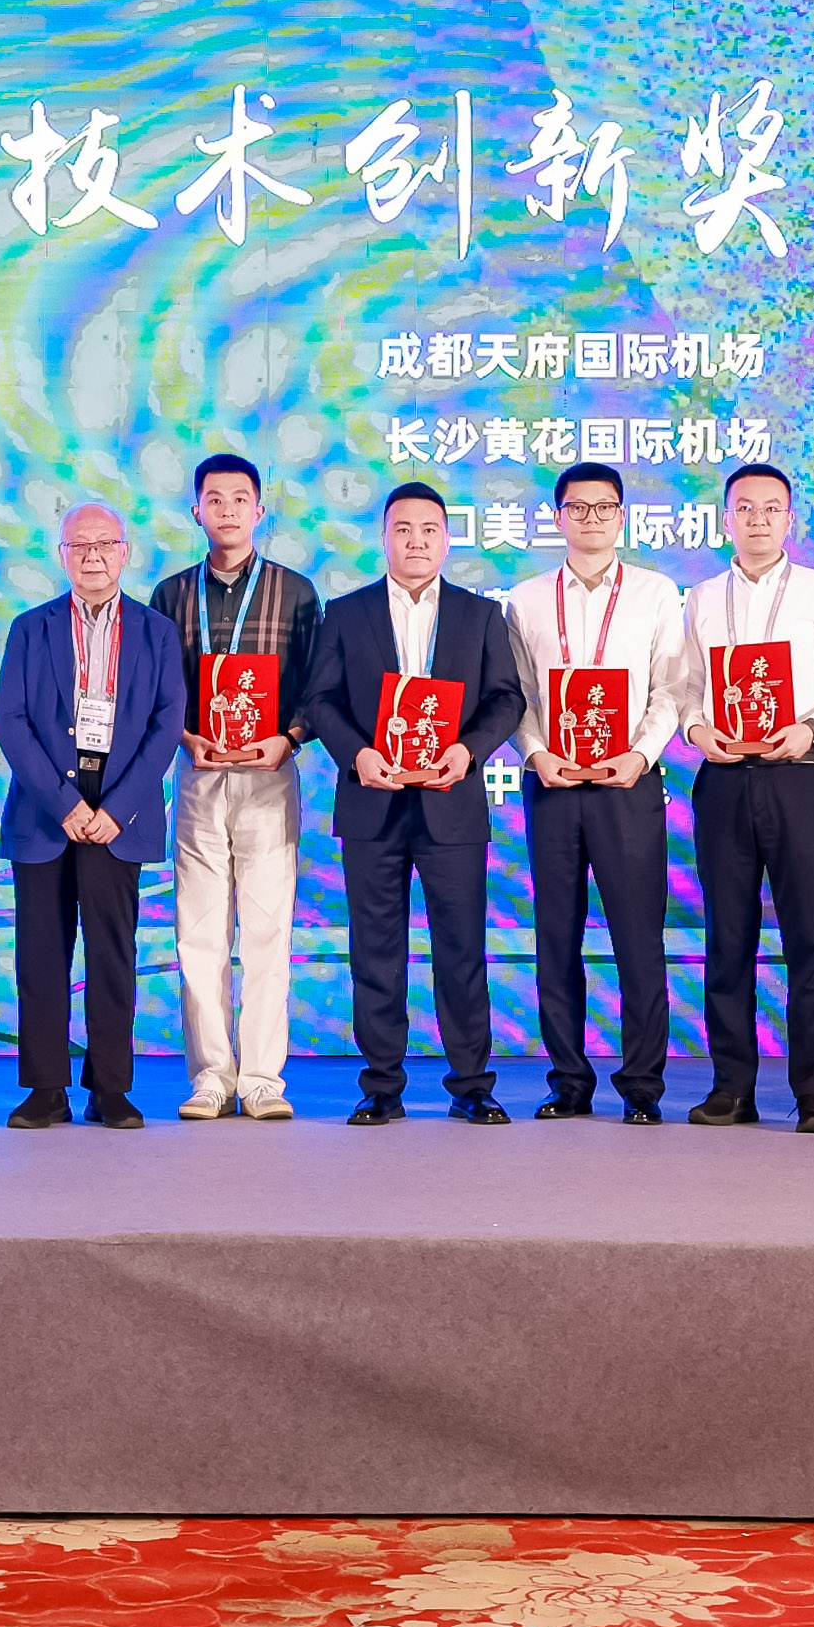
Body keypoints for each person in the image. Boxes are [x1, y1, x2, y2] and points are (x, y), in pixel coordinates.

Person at [306, 480, 525, 1126]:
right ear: (384, 538)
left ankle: (471, 1084)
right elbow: (320, 700)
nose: (416, 541)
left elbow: (506, 698)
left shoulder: (479, 615)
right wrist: (356, 754)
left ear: (447, 539)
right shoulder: (346, 613)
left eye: (429, 529)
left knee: (461, 949)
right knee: (376, 951)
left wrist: (468, 752)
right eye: (402, 529)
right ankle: (381, 1085)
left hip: (451, 803)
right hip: (371, 801)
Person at [677, 463, 814, 1132]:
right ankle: (732, 1087)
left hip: (798, 773)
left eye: (770, 508)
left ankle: (813, 1093)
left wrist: (810, 728)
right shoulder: (701, 598)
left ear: (790, 519)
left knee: (808, 936)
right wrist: (696, 730)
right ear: (725, 519)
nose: (757, 519)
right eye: (744, 508)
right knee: (727, 938)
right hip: (725, 778)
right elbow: (685, 687)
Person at [505, 462, 691, 1124]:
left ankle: (642, 1086)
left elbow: (672, 687)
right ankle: (568, 1082)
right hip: (552, 784)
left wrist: (639, 755)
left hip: (627, 785)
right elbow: (518, 694)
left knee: (637, 939)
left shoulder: (655, 592)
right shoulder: (525, 600)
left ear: (621, 517)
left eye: (603, 507)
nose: (590, 518)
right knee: (556, 938)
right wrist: (536, 753)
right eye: (577, 508)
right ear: (558, 517)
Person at [0, 501, 187, 1128]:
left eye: (105, 545)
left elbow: (167, 725)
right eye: (80, 546)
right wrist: (65, 803)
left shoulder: (157, 632)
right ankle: (45, 1088)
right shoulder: (31, 628)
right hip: (45, 811)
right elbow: (10, 721)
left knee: (111, 955)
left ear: (125, 553)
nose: (93, 557)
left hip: (118, 814)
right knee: (40, 957)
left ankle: (110, 1087)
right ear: (63, 556)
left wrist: (119, 808)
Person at [147, 451, 323, 1122]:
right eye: (214, 499)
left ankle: (262, 1080)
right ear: (196, 511)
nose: (227, 510)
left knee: (268, 932)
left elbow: (316, 684)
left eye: (239, 499)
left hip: (268, 774)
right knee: (197, 931)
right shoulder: (170, 594)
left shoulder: (295, 592)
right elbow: (157, 687)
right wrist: (182, 736)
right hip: (198, 774)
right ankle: (210, 1077)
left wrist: (290, 737)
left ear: (259, 510)